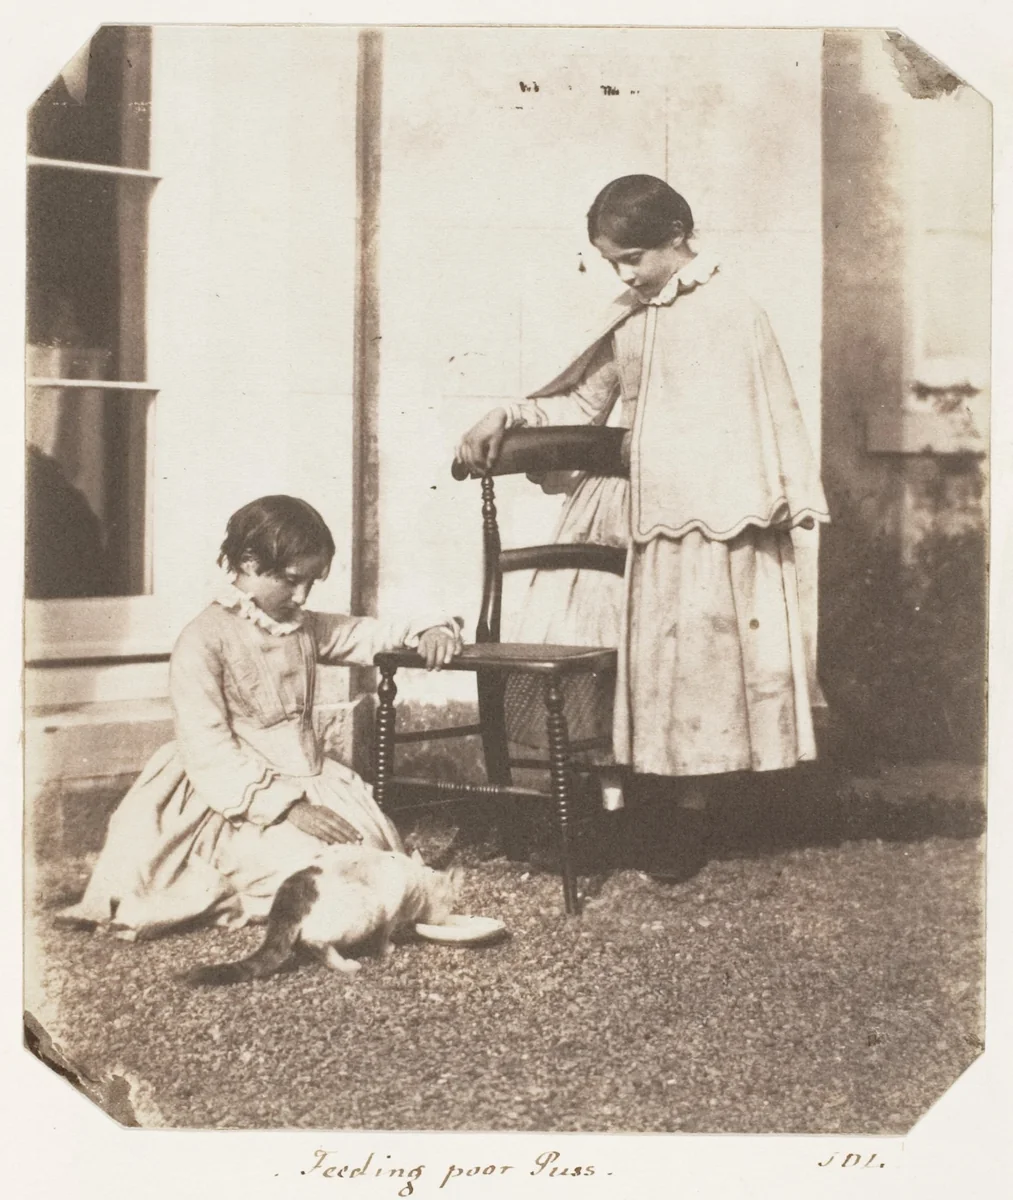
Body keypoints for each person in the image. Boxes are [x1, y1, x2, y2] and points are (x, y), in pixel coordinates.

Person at [456, 175, 829, 881]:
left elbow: (748, 429)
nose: (625, 274)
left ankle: (685, 817)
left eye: (634, 258)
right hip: (626, 511)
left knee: (693, 664)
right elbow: (581, 398)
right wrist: (508, 413)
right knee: (602, 640)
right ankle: (613, 806)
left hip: (709, 521)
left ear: (678, 236)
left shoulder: (733, 312)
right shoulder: (630, 314)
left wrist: (684, 473)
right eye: (612, 264)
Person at [59, 495, 463, 939]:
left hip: (310, 776)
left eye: (312, 582)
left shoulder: (302, 626)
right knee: (302, 874)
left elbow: (367, 632)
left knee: (368, 853)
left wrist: (431, 629)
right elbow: (207, 745)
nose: (302, 595)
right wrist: (286, 806)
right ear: (249, 563)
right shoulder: (203, 639)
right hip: (230, 795)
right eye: (292, 580)